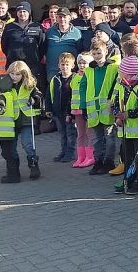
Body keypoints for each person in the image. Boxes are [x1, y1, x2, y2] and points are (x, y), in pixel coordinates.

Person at [74, 40, 118, 175]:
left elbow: (117, 86)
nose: (97, 55)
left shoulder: (113, 68)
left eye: (99, 52)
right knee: (97, 138)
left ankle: (109, 162)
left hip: (107, 108)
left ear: (105, 52)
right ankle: (98, 161)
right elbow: (82, 88)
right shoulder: (88, 70)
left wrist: (115, 104)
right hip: (93, 109)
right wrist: (83, 107)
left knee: (110, 137)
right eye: (94, 53)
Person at [111, 56, 138, 195]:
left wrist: (128, 114)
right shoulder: (120, 84)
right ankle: (128, 180)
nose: (120, 73)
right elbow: (114, 102)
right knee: (127, 156)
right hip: (124, 128)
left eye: (122, 71)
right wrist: (117, 114)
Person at [7, 60, 44, 181]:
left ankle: (33, 165)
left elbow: (38, 95)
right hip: (11, 120)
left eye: (17, 74)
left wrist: (34, 99)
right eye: (12, 73)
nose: (14, 77)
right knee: (11, 147)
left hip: (27, 119)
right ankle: (13, 171)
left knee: (28, 144)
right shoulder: (5, 86)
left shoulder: (30, 85)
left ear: (24, 75)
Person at [1, 1, 46, 82]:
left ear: (29, 12)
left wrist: (34, 57)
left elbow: (42, 46)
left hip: (32, 65)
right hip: (13, 64)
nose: (22, 14)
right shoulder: (9, 27)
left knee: (31, 87)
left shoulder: (37, 27)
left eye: (24, 11)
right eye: (20, 11)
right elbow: (4, 46)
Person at [47, 52, 78, 163]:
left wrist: (71, 113)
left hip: (69, 112)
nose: (64, 67)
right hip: (58, 112)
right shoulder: (55, 79)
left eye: (67, 64)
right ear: (58, 65)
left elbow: (74, 96)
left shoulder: (75, 78)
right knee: (62, 134)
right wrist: (48, 109)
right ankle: (63, 151)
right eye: (62, 64)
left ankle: (70, 153)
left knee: (70, 134)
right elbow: (49, 94)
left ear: (72, 66)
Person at [44, 7, 82, 83]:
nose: (62, 19)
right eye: (60, 17)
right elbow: (44, 49)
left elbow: (80, 50)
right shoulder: (49, 32)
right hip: (53, 70)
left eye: (64, 17)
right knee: (54, 92)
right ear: (57, 18)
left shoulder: (77, 32)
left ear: (69, 18)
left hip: (69, 71)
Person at [71, 53, 95, 168]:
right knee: (80, 134)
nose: (81, 65)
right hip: (77, 109)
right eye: (80, 62)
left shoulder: (91, 75)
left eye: (84, 63)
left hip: (88, 108)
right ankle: (81, 157)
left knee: (89, 133)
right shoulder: (75, 76)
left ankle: (90, 157)